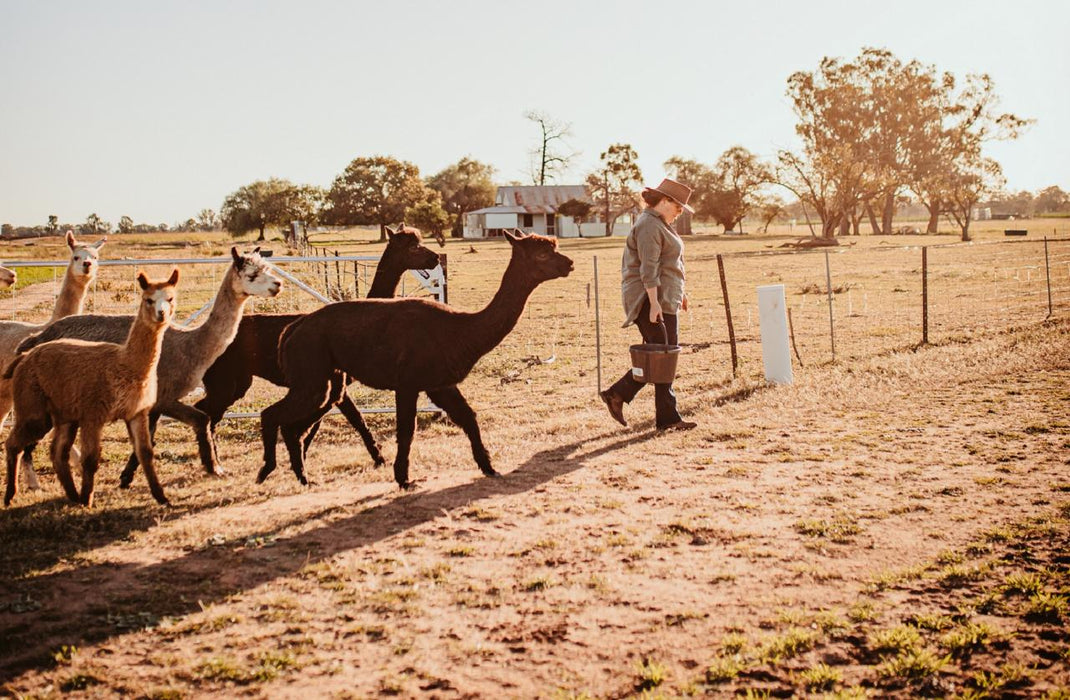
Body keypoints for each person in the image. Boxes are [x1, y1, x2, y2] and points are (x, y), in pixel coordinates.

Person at [599, 178, 697, 432]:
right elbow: (649, 268)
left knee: (660, 356)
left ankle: (617, 394)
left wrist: (680, 293)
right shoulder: (648, 226)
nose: (679, 212)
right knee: (664, 357)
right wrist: (653, 303)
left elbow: (670, 263)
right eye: (678, 207)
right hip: (649, 300)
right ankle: (667, 418)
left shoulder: (660, 224)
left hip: (664, 298)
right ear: (665, 201)